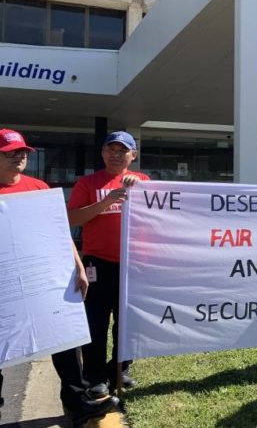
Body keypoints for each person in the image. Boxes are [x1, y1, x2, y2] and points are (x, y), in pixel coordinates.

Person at [0, 129, 118, 424]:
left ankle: (76, 402)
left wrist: (77, 265)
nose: (20, 157)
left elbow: (58, 232)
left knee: (62, 338)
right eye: (12, 152)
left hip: (41, 277)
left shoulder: (38, 187)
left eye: (24, 152)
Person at [67, 131, 149, 396]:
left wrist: (137, 188)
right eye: (111, 150)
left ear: (132, 156)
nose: (116, 155)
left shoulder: (144, 182)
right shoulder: (87, 183)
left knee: (127, 322)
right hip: (98, 263)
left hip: (134, 264)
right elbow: (72, 219)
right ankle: (95, 375)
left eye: (122, 151)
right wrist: (105, 202)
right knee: (96, 321)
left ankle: (120, 370)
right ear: (102, 153)